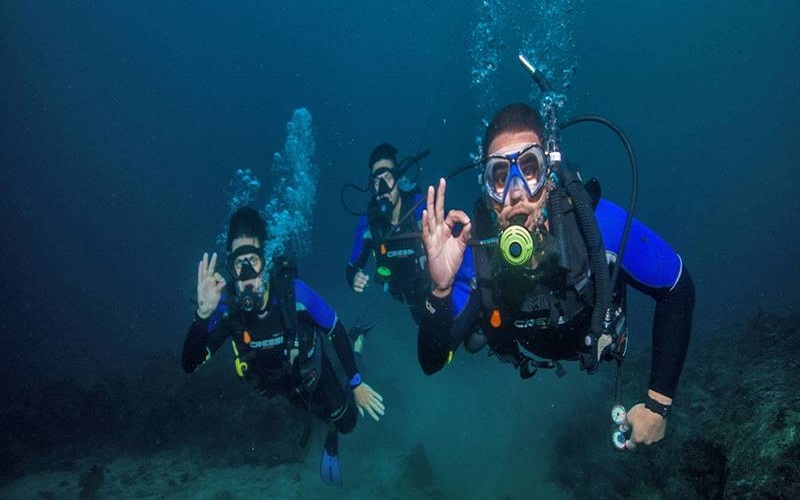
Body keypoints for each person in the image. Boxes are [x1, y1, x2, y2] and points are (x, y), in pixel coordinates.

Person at [417, 103, 695, 450]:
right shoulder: (474, 255)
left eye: (529, 168)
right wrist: (440, 288)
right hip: (526, 353)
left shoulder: (594, 226)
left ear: (548, 177)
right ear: (488, 192)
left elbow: (677, 286)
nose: (515, 193)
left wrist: (658, 404)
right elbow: (431, 361)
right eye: (500, 176)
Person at [182, 206, 385, 485]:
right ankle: (323, 422)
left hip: (314, 371)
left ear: (265, 261)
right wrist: (202, 316)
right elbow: (189, 364)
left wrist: (356, 383)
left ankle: (358, 342)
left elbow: (334, 329)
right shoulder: (226, 308)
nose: (247, 274)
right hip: (282, 386)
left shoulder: (294, 293)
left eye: (253, 261)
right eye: (238, 265)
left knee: (347, 423)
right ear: (229, 267)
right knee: (312, 409)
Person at [345, 142, 430, 330]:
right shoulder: (368, 223)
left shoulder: (421, 207)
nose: (383, 189)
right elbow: (352, 267)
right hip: (406, 296)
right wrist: (353, 278)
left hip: (435, 286)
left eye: (388, 178)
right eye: (377, 182)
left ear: (398, 179)